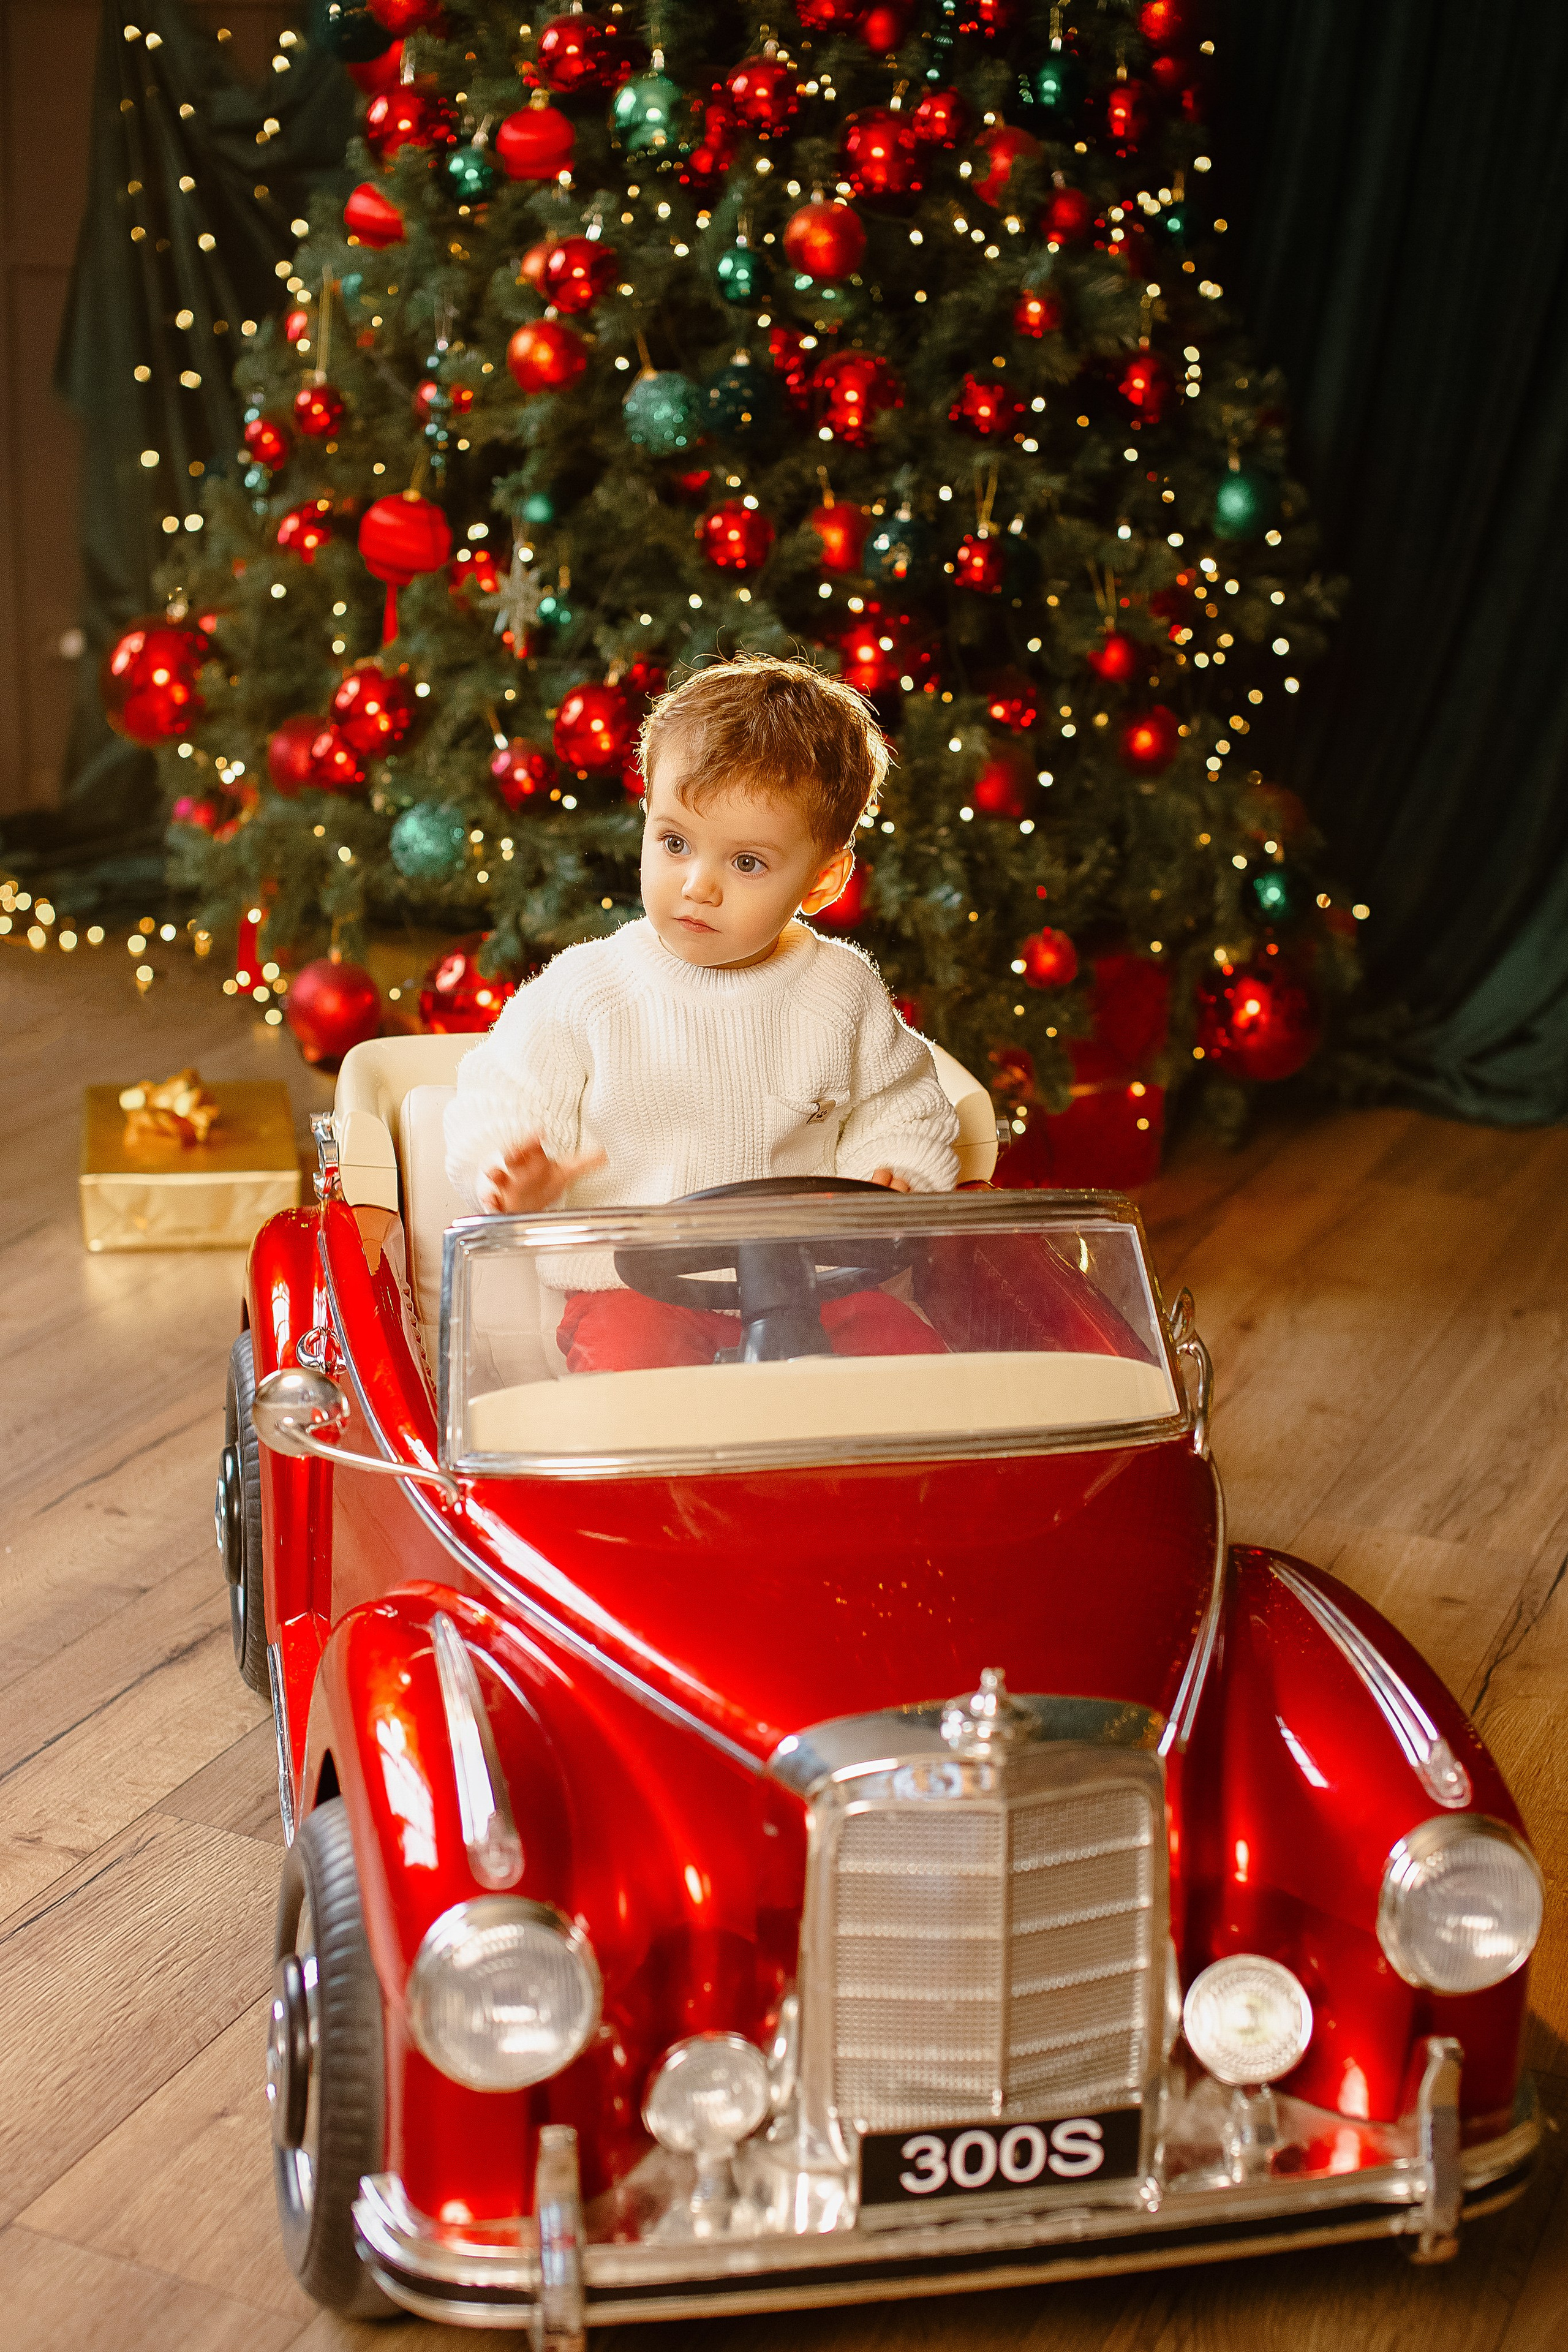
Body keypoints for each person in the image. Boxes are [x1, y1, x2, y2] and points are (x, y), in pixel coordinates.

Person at [444, 654, 958, 1372]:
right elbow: (498, 1094)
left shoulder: (842, 993)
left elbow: (904, 1109)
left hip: (811, 1281)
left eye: (746, 862)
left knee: (909, 1362)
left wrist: (899, 1176)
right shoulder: (590, 990)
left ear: (823, 878)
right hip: (632, 1289)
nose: (696, 885)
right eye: (675, 842)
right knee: (630, 1381)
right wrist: (509, 1172)